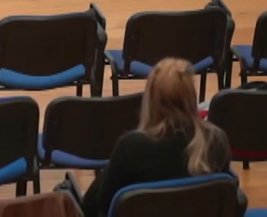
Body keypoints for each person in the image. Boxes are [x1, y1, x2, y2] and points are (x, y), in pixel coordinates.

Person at [80, 58, 231, 217]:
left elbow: (103, 204)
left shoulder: (130, 148)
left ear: (150, 100)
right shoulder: (216, 141)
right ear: (192, 98)